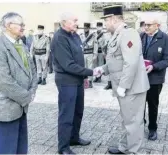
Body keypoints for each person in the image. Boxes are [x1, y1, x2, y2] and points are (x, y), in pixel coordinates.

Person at [94, 5, 150, 154]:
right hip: (125, 87)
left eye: (106, 21)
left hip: (132, 87)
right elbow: (116, 59)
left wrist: (123, 86)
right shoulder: (117, 35)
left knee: (134, 122)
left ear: (112, 19)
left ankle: (134, 151)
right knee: (127, 119)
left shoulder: (128, 34)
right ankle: (124, 147)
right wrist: (103, 69)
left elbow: (130, 62)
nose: (105, 24)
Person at [0, 12, 38, 154]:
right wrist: (27, 97)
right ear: (8, 26)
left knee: (21, 149)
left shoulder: (22, 45)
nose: (23, 27)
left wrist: (32, 90)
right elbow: (4, 81)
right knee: (6, 151)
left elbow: (32, 70)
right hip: (4, 108)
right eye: (21, 24)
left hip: (20, 107)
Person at [51, 12, 99, 154]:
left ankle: (74, 137)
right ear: (64, 22)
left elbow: (79, 59)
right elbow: (68, 65)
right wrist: (90, 72)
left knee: (78, 111)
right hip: (66, 82)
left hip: (77, 80)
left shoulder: (75, 35)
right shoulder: (59, 38)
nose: (77, 22)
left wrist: (83, 77)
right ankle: (63, 147)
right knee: (66, 114)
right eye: (74, 20)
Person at [140, 18, 168, 141]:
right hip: (140, 77)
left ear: (157, 25)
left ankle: (152, 129)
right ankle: (139, 125)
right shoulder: (141, 36)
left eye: (149, 25)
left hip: (155, 78)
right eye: (144, 25)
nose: (146, 27)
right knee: (139, 103)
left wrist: (153, 67)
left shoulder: (165, 38)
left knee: (152, 105)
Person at [79, 23, 98, 88]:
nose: (85, 29)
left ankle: (90, 82)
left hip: (90, 53)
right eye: (84, 28)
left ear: (89, 28)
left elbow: (96, 45)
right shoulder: (81, 35)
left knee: (90, 68)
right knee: (83, 68)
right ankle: (85, 82)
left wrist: (95, 54)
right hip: (83, 54)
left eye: (86, 28)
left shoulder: (92, 35)